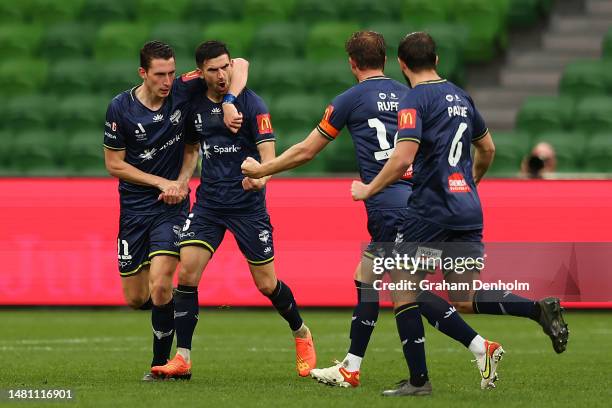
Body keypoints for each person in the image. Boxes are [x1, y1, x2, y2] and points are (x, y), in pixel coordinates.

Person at [241, 31, 498, 394]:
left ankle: (475, 349)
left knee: (406, 292)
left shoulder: (350, 99)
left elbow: (306, 151)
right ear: (388, 60)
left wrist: (262, 170)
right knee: (367, 277)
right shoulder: (411, 95)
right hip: (421, 199)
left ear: (352, 64)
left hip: (388, 206)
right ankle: (352, 366)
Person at [351, 32, 569, 395]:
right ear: (436, 60)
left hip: (430, 210)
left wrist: (368, 189)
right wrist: (469, 184)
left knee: (403, 288)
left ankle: (419, 381)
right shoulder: (460, 95)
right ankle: (536, 309)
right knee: (464, 298)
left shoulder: (414, 99)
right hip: (467, 208)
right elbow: (487, 147)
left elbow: (403, 157)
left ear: (402, 65)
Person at [151, 41, 316, 380]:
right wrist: (185, 177)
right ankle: (183, 358)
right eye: (213, 69)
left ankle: (301, 333)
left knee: (267, 284)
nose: (222, 74)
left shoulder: (252, 104)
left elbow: (270, 157)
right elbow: (191, 140)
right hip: (210, 203)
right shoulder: (193, 97)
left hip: (247, 207)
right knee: (187, 274)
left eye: (225, 67)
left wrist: (262, 177)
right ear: (202, 72)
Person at [103, 40, 248, 381]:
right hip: (135, 209)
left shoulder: (183, 89)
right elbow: (114, 164)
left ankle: (162, 366)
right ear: (143, 73)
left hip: (172, 208)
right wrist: (159, 182)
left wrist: (182, 181)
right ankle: (173, 314)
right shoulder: (120, 108)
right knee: (137, 297)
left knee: (162, 284)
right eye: (159, 75)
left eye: (171, 73)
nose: (167, 81)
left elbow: (239, 63)